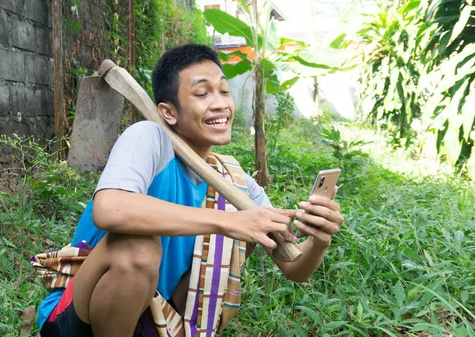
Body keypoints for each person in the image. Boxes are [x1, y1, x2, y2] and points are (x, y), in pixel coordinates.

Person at [34, 44, 345, 337]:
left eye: (224, 91)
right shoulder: (149, 137)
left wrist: (319, 238)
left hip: (156, 318)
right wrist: (229, 221)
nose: (220, 102)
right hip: (76, 317)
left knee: (234, 239)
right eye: (202, 93)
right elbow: (109, 209)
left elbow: (295, 268)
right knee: (138, 249)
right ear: (169, 112)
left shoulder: (236, 182)